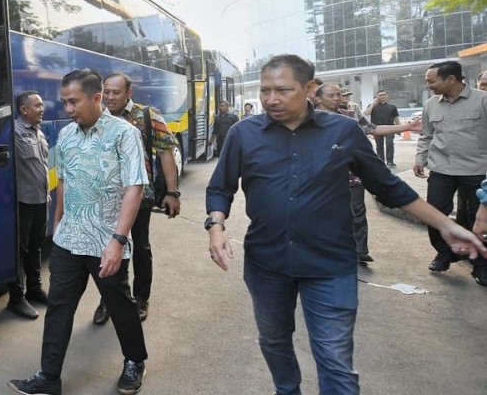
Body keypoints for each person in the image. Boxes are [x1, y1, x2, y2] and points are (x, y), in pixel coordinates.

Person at [206, 54, 486, 395]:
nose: (271, 99)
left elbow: (388, 186)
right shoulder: (243, 133)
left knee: (335, 360)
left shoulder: (343, 130)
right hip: (267, 263)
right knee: (274, 340)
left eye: (283, 90)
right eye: (265, 90)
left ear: (309, 88)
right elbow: (221, 187)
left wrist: (446, 224)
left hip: (330, 265)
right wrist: (216, 226)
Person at [8, 69, 149, 395]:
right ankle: (49, 376)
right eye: (64, 102)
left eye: (73, 102)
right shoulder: (66, 136)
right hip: (69, 239)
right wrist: (57, 224)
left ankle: (134, 360)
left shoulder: (124, 134)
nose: (67, 109)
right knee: (59, 306)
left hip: (106, 242)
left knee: (118, 304)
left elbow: (134, 188)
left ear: (96, 98)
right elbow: (63, 181)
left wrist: (118, 239)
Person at [93, 72, 180, 326]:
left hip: (139, 196)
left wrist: (173, 193)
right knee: (109, 250)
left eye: (116, 92)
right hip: (107, 199)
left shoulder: (146, 115)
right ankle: (109, 300)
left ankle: (141, 299)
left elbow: (165, 152)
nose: (109, 97)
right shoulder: (100, 117)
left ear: (129, 93)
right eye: (106, 91)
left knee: (140, 248)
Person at [316, 83, 419, 264]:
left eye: (338, 95)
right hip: (321, 180)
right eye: (331, 95)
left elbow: (373, 129)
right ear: (317, 99)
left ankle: (359, 251)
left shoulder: (351, 116)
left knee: (357, 213)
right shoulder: (308, 120)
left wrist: (406, 127)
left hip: (352, 177)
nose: (336, 99)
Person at [413, 60, 487, 286]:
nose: (428, 85)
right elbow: (426, 135)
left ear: (451, 79)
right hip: (442, 170)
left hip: (477, 170)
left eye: (431, 81)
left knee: (480, 220)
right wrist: (420, 158)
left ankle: (482, 265)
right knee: (434, 212)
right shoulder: (431, 104)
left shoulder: (482, 100)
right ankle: (445, 253)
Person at [7, 90, 52, 320]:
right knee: (20, 250)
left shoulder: (38, 132)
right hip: (23, 201)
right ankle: (17, 297)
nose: (42, 109)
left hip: (41, 198)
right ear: (24, 110)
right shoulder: (13, 133)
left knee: (36, 246)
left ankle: (35, 289)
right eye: (37, 105)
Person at [364, 90, 400, 167]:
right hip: (377, 129)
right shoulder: (373, 106)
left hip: (390, 128)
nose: (382, 97)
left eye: (384, 95)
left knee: (389, 143)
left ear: (387, 96)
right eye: (380, 95)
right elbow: (366, 113)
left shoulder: (392, 107)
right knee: (379, 145)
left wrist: (399, 128)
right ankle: (381, 161)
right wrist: (373, 103)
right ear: (377, 97)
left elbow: (396, 118)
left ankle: (390, 161)